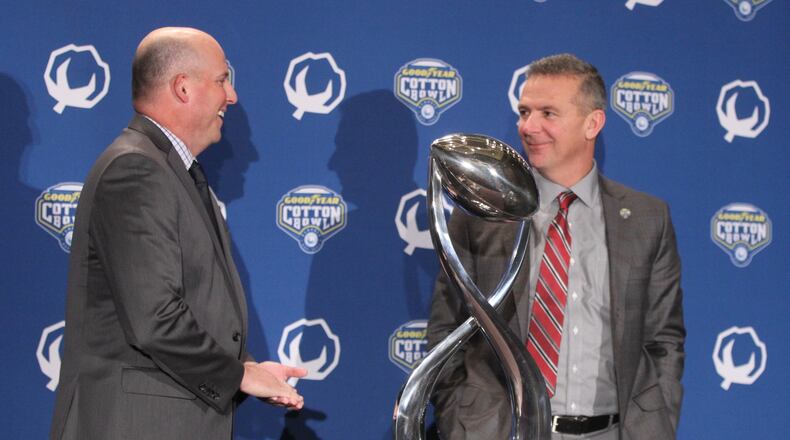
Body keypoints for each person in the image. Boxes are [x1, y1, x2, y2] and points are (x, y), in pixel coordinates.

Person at [50, 27, 306, 440]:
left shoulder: (170, 170)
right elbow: (154, 318)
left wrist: (248, 367)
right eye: (223, 80)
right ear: (183, 87)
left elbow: (189, 304)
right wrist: (236, 375)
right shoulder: (136, 171)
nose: (232, 96)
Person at [427, 53, 685, 440]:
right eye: (524, 112)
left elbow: (663, 339)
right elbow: (447, 331)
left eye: (548, 113)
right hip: (501, 432)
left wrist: (657, 421)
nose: (528, 127)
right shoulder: (481, 215)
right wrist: (461, 419)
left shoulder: (648, 218)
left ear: (592, 123)